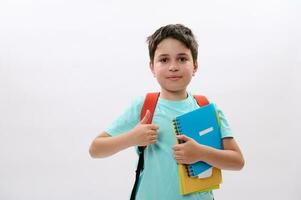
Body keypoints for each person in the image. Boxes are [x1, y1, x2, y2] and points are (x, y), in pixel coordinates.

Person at [89, 24, 245, 200]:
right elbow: (96, 149)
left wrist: (201, 153)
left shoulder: (207, 108)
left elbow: (237, 161)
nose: (173, 67)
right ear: (152, 67)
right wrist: (132, 138)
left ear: (195, 66)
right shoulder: (144, 106)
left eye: (182, 59)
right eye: (164, 60)